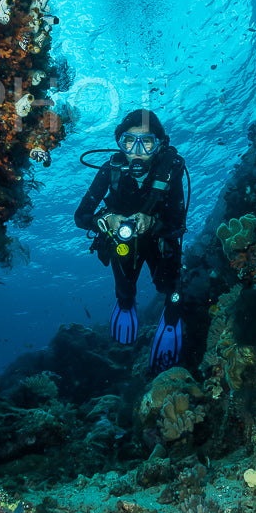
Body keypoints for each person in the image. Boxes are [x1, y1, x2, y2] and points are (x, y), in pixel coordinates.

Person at [74, 109, 187, 373]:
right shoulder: (110, 170)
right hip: (123, 244)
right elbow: (81, 215)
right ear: (119, 143)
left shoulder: (171, 171)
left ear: (160, 144)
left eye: (146, 141)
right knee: (125, 288)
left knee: (171, 288)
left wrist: (153, 223)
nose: (136, 150)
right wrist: (105, 220)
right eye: (128, 141)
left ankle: (170, 321)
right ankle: (125, 304)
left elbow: (178, 224)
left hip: (160, 241)